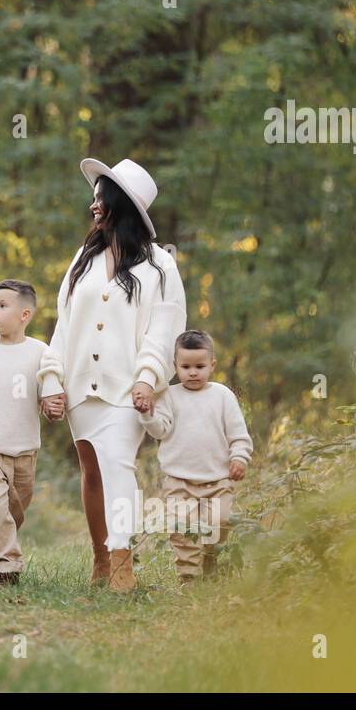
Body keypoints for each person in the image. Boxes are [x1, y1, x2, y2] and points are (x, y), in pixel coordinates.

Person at [39, 157, 187, 593]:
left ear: (120, 204)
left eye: (100, 198)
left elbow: (166, 326)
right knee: (92, 472)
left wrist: (148, 376)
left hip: (128, 387)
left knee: (119, 465)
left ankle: (123, 561)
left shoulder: (160, 266)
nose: (93, 206)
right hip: (80, 386)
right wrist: (51, 379)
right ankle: (100, 559)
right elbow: (63, 326)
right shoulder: (82, 261)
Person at [0, 279, 61, 586]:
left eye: (3, 306)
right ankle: (8, 568)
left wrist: (53, 407)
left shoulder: (41, 352)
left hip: (25, 449)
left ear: (25, 315)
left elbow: (49, 394)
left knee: (12, 513)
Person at [138, 330, 252, 587]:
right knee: (182, 529)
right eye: (185, 366)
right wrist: (147, 414)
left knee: (220, 523)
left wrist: (239, 458)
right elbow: (160, 430)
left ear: (212, 365)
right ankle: (188, 577)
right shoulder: (169, 395)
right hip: (179, 480)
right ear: (175, 366)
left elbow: (238, 435)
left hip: (218, 480)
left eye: (199, 366)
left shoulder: (222, 396)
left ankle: (210, 561)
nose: (192, 372)